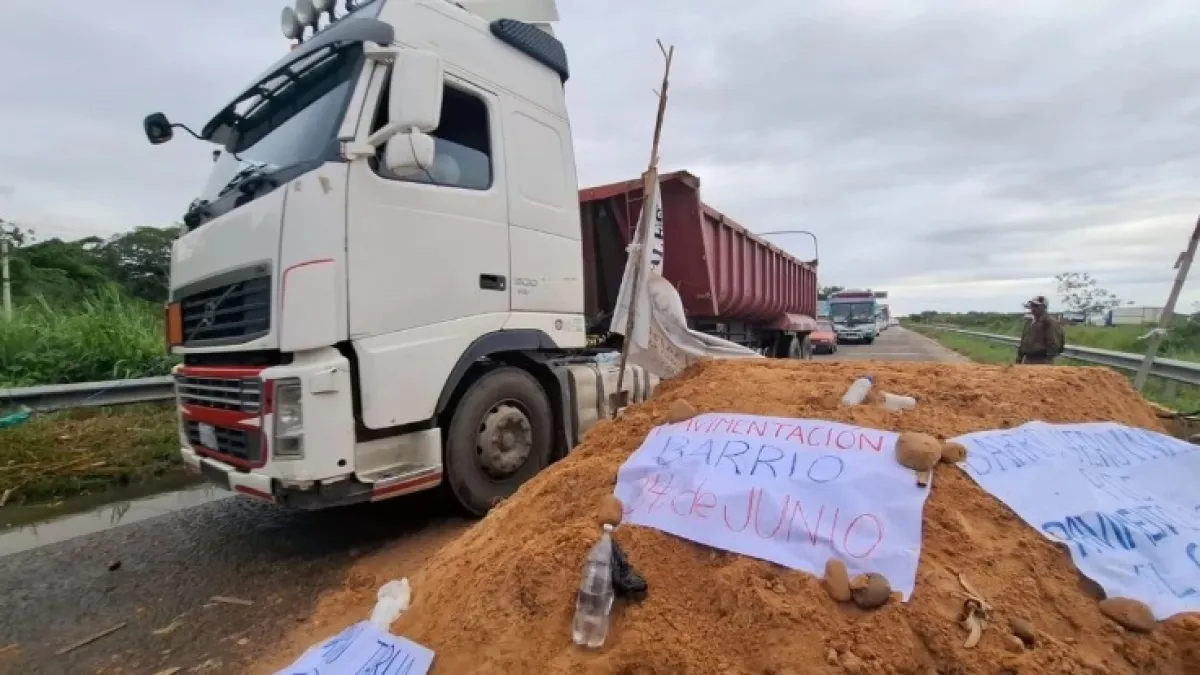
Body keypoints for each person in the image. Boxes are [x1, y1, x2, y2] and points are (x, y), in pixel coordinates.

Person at [1016, 296, 1065, 365]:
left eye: (1036, 306)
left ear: (1044, 307)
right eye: (1032, 305)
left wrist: (1047, 359)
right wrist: (1019, 357)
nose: (1033, 308)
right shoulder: (1030, 322)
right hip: (1028, 360)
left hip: (1042, 361)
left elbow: (1054, 345)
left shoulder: (1049, 322)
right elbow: (1024, 341)